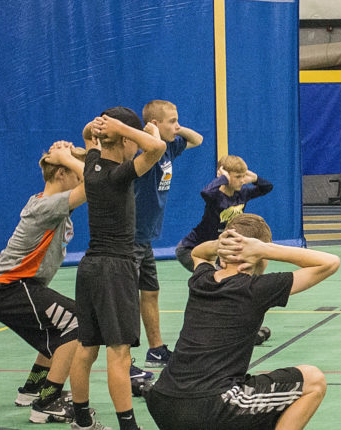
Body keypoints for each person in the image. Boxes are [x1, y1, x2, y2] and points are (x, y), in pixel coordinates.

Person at [145, 214, 340, 430]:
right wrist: (265, 249)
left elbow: (197, 252)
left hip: (162, 400)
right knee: (313, 381)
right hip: (212, 405)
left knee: (259, 392)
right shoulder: (256, 288)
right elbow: (330, 262)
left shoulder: (202, 278)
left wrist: (221, 244)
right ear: (260, 257)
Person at [0, 141, 87, 423]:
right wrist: (66, 157)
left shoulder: (49, 202)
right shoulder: (48, 205)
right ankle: (48, 401)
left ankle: (33, 389)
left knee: (55, 328)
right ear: (61, 173)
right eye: (72, 169)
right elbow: (97, 184)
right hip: (4, 287)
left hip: (6, 288)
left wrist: (83, 148)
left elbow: (92, 172)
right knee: (77, 322)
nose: (79, 175)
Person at [70, 107, 166, 430]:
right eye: (131, 142)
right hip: (116, 269)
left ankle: (82, 420)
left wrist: (100, 126)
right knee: (119, 353)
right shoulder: (118, 174)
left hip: (89, 268)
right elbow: (157, 148)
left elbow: (87, 135)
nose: (136, 149)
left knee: (86, 348)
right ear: (125, 141)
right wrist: (127, 130)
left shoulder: (92, 165)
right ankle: (129, 426)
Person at [130, 99, 204, 369]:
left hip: (146, 237)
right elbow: (147, 158)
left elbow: (197, 139)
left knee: (150, 292)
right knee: (126, 300)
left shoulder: (169, 148)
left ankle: (156, 349)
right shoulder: (145, 152)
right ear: (153, 124)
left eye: (177, 119)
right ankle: (124, 359)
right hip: (130, 237)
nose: (176, 124)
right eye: (171, 120)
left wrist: (177, 128)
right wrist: (151, 135)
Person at [173, 155, 273, 271]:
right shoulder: (215, 196)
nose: (242, 181)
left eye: (243, 176)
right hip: (190, 249)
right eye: (237, 177)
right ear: (224, 175)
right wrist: (223, 179)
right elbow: (205, 192)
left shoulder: (242, 195)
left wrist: (255, 178)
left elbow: (267, 187)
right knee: (215, 276)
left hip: (217, 250)